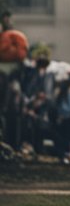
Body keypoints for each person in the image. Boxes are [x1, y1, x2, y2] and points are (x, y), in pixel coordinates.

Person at [0, 10, 29, 148]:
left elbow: (21, 57)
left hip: (11, 78)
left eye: (8, 19)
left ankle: (13, 143)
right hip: (5, 76)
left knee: (13, 111)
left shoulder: (13, 37)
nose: (6, 21)